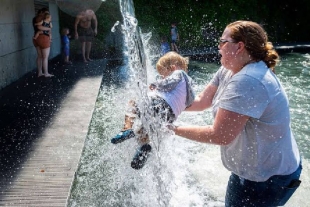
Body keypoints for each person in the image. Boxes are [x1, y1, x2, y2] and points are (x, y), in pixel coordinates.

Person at [168, 20, 302, 206]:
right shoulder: (229, 69)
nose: (219, 46)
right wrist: (166, 105)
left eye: (223, 42)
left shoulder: (249, 80)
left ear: (239, 47)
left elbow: (220, 135)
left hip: (269, 178)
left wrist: (170, 128)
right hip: (252, 170)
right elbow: (201, 101)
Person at [111, 52, 195, 170]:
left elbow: (168, 83)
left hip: (160, 105)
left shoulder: (178, 73)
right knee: (144, 129)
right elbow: (187, 104)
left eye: (163, 75)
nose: (162, 77)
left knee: (133, 102)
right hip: (169, 117)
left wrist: (155, 84)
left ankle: (126, 128)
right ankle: (145, 147)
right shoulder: (188, 90)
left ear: (173, 68)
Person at [32, 8, 54, 77]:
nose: (46, 15)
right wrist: (49, 28)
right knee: (45, 57)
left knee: (40, 56)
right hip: (43, 38)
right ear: (41, 12)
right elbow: (39, 27)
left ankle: (40, 72)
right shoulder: (41, 18)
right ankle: (46, 73)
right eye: (45, 13)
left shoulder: (35, 18)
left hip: (36, 38)